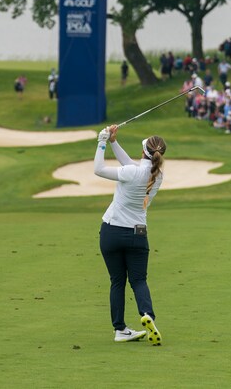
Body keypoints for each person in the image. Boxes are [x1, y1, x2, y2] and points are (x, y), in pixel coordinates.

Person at [93, 124, 165, 345]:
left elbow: (98, 169)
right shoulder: (157, 175)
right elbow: (132, 167)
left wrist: (102, 142)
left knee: (117, 281)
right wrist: (115, 141)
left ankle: (120, 329)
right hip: (138, 234)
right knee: (139, 280)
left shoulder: (131, 172)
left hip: (111, 231)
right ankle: (147, 315)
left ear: (143, 151)